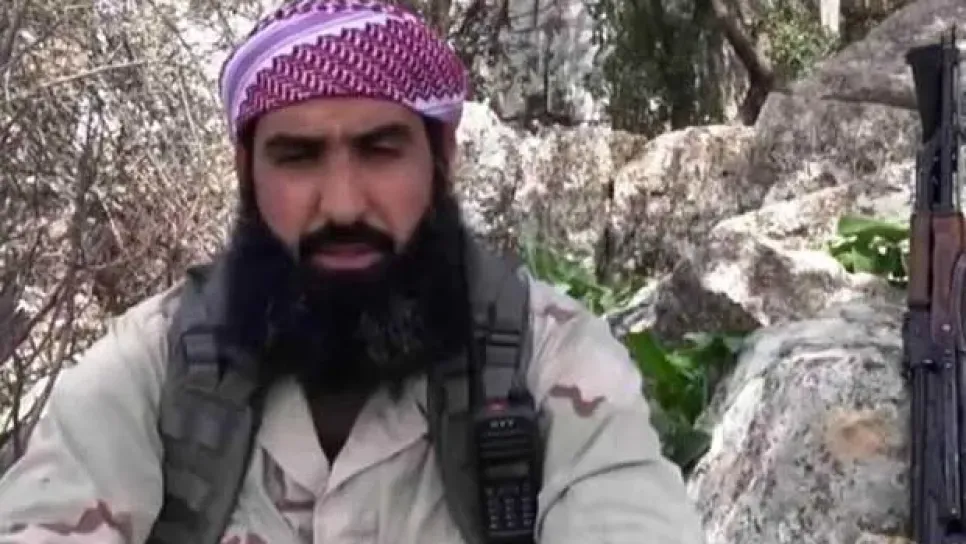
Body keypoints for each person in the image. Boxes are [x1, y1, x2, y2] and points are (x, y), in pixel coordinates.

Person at [0, 1, 705, 543]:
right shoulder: (150, 370)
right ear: (247, 171)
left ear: (442, 159)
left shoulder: (552, 362)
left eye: (380, 150)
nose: (341, 204)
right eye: (298, 157)